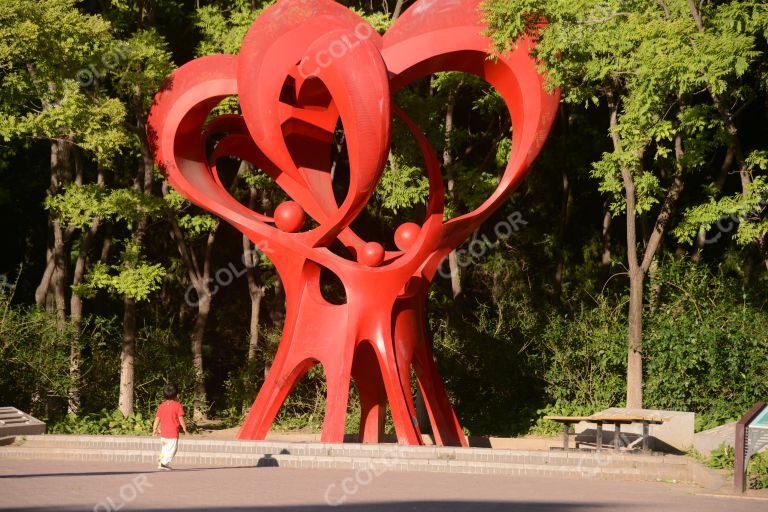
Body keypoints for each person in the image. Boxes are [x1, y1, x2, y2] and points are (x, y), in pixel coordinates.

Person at [152, 383, 187, 470]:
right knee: (172, 450)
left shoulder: (161, 406)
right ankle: (163, 463)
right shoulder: (177, 405)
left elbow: (157, 418)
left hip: (163, 433)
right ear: (177, 395)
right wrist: (184, 427)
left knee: (165, 449)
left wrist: (154, 429)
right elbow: (180, 418)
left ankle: (162, 460)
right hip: (172, 433)